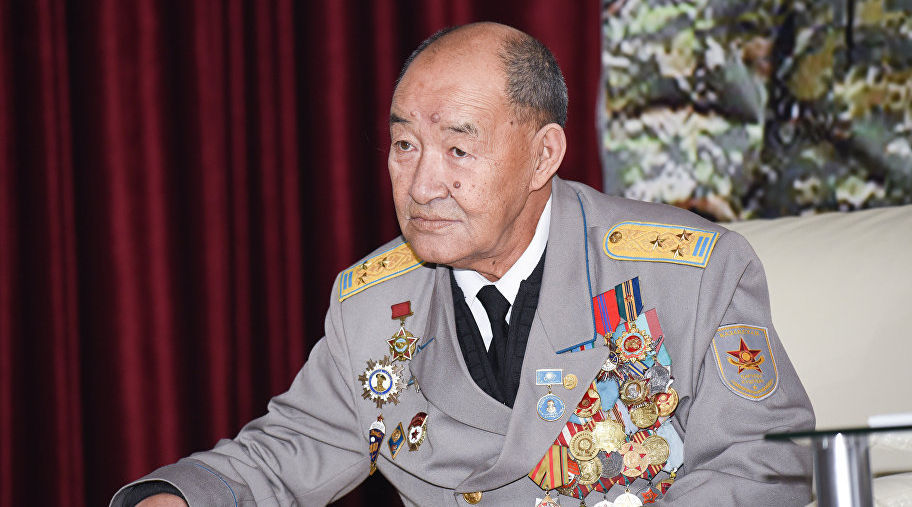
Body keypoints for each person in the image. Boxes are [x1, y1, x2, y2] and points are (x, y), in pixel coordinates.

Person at [113, 22, 814, 507]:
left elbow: (765, 464)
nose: (422, 185)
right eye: (404, 146)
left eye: (458, 149)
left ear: (542, 155)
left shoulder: (688, 273)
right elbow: (289, 451)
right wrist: (175, 497)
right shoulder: (371, 307)